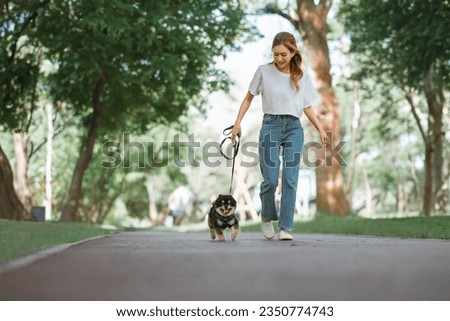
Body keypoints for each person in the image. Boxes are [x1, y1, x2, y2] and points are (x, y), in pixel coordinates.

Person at [231, 31, 328, 241]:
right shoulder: (263, 71)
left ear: (293, 52)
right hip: (270, 126)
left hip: (294, 127)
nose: (279, 59)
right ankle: (266, 217)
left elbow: (308, 107)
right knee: (270, 179)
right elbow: (248, 98)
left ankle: (285, 227)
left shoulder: (301, 76)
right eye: (275, 54)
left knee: (291, 179)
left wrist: (320, 130)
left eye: (283, 54)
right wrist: (237, 123)